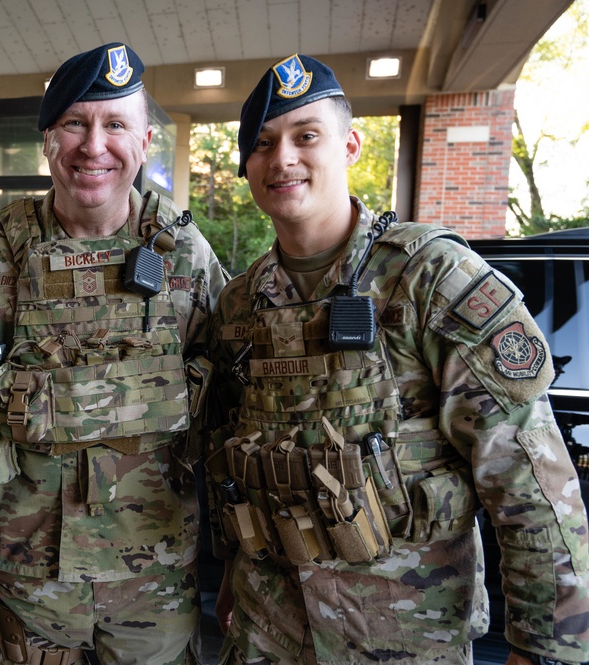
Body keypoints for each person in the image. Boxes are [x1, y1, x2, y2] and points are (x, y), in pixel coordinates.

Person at [203, 54, 589, 665]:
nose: (283, 159)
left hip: (405, 640)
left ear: (351, 145)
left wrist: (546, 649)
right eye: (264, 144)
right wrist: (229, 578)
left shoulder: (432, 281)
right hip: (266, 634)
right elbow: (236, 467)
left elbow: (529, 479)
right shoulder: (239, 306)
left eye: (307, 136)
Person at [0, 42, 228, 664]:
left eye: (115, 124)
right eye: (74, 123)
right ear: (47, 140)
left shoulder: (186, 255)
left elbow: (231, 405)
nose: (94, 146)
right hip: (23, 574)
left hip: (154, 572)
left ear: (145, 142)